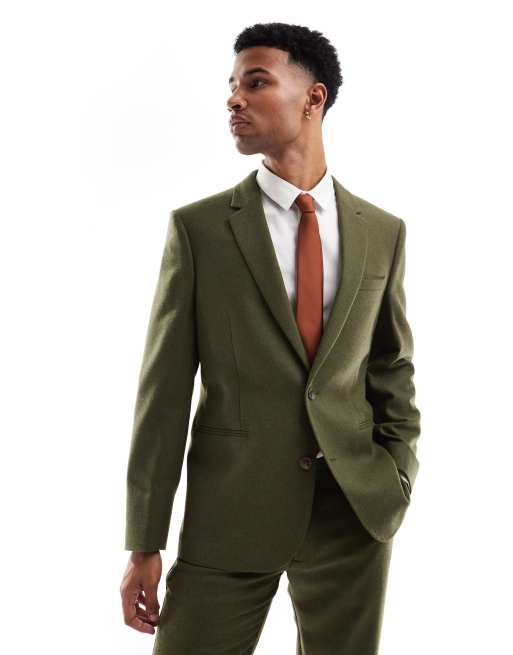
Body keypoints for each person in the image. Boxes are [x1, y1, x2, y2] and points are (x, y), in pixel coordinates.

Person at [120, 21, 421, 654]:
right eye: (231, 86)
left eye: (255, 83)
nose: (234, 99)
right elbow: (163, 395)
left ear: (313, 98)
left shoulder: (381, 232)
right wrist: (144, 540)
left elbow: (391, 367)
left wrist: (396, 474)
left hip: (353, 514)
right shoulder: (201, 230)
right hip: (229, 515)